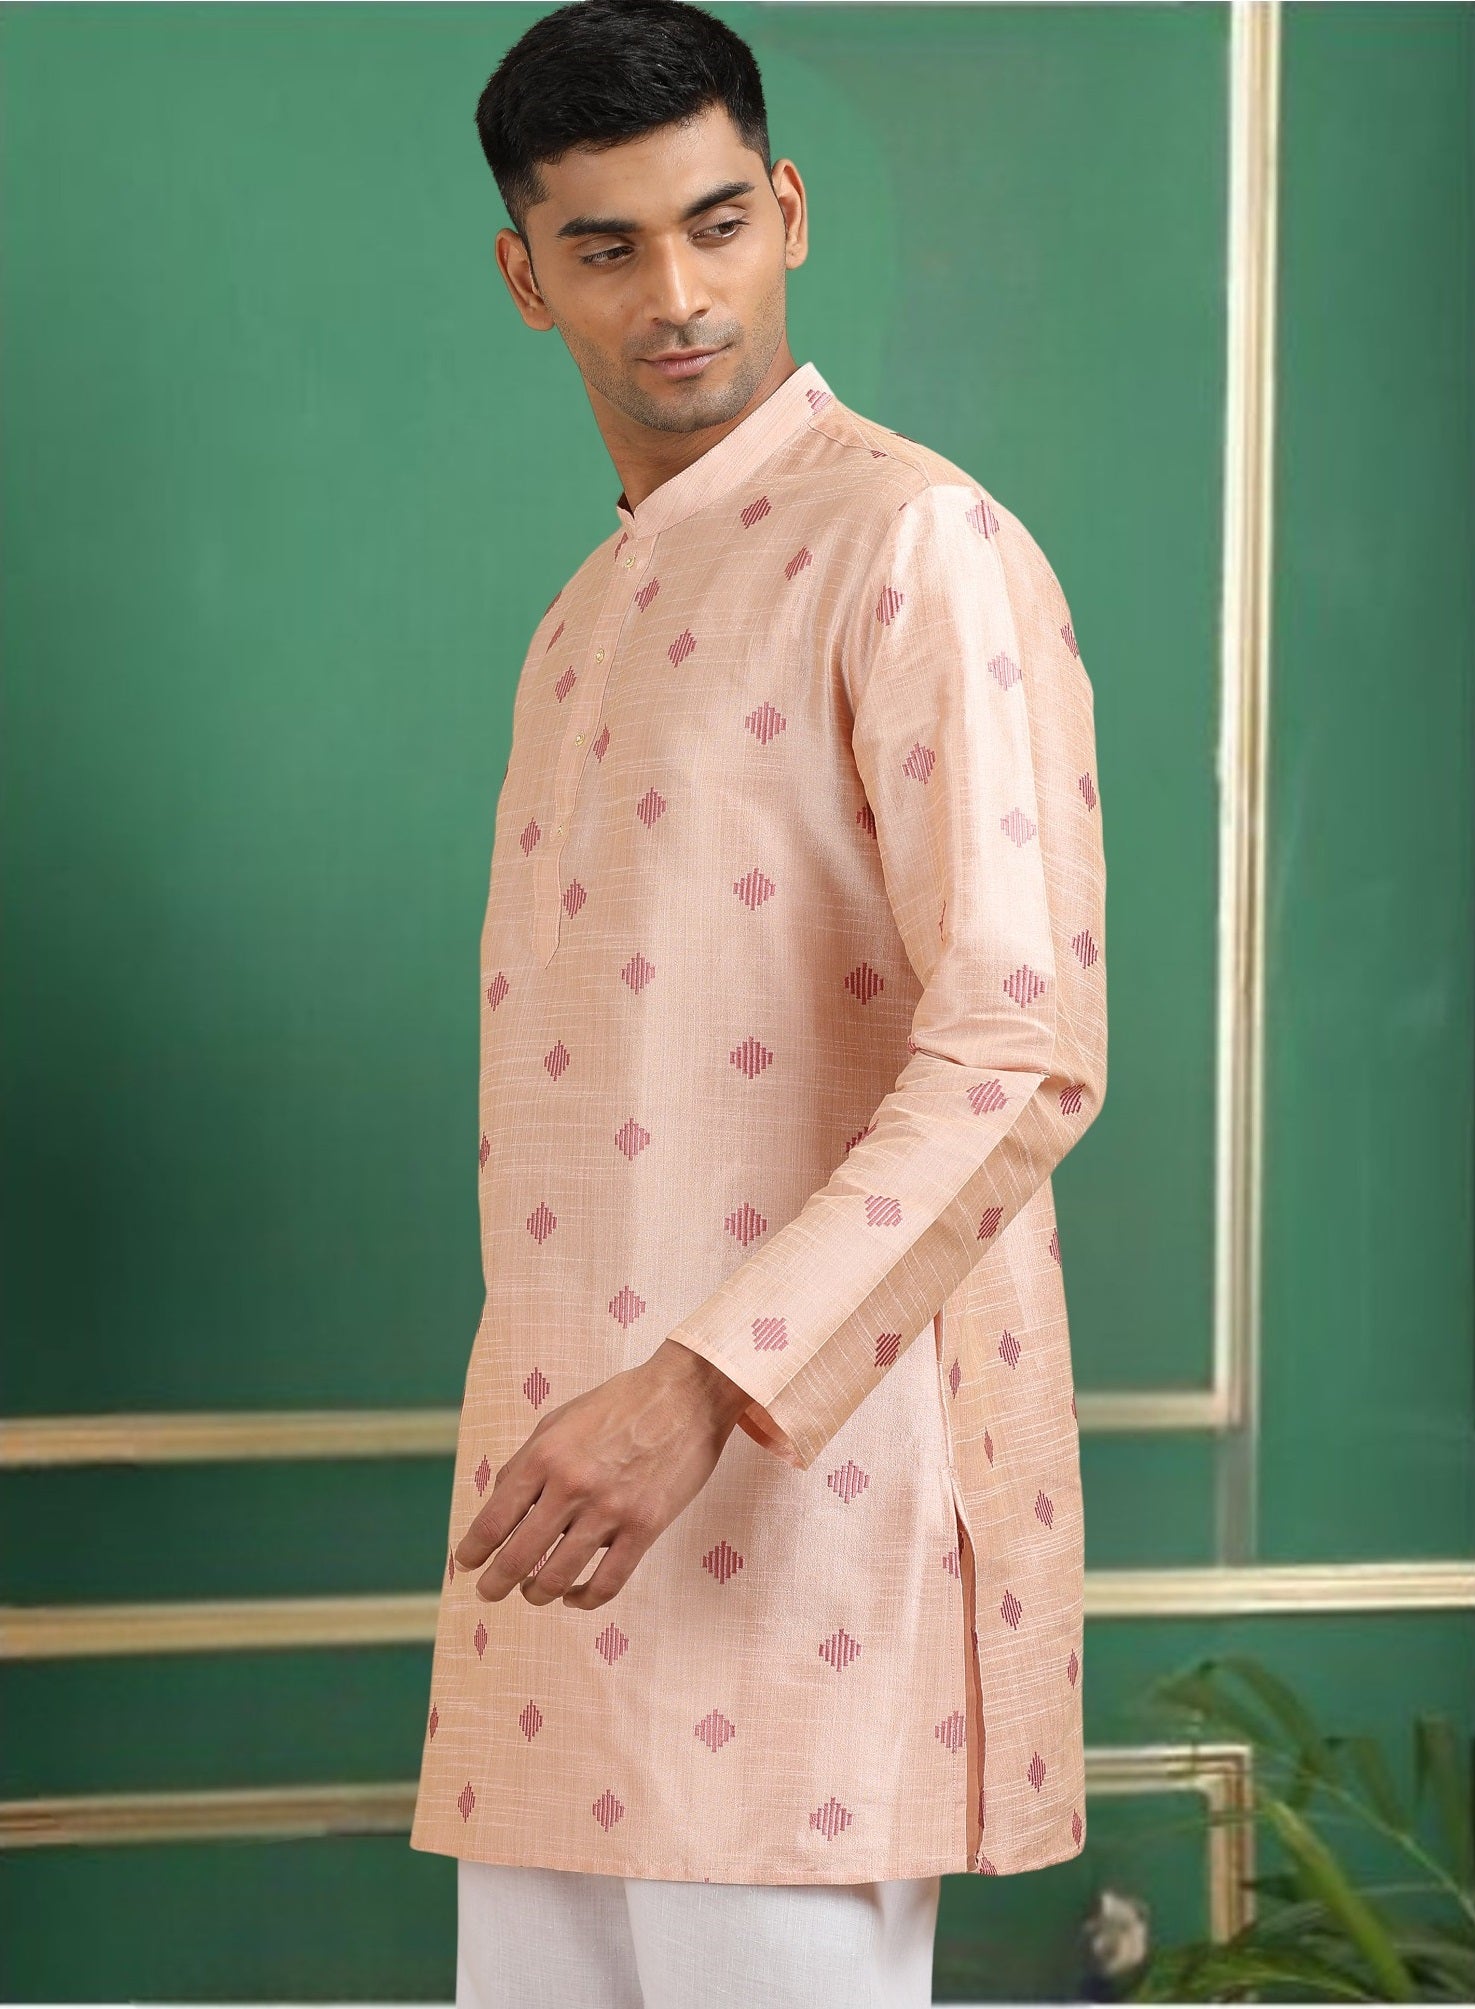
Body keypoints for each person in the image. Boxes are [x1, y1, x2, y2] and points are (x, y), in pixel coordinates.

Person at [409, 2, 1109, 2003]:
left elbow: (1021, 1049)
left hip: (813, 1526)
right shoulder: (579, 622)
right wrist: (610, 1426)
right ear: (526, 278)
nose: (679, 295)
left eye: (717, 223)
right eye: (609, 246)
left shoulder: (915, 543)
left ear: (788, 210)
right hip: (558, 1550)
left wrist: (703, 1389)